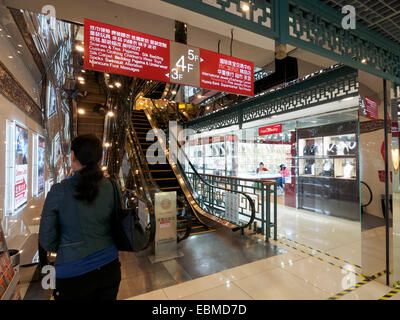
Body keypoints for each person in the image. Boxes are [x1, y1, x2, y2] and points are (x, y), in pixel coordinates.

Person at [39, 134, 121, 300]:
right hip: (110, 266)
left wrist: (67, 247)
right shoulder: (112, 186)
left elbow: (46, 240)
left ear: (73, 156)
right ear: (100, 157)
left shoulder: (59, 191)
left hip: (72, 273)